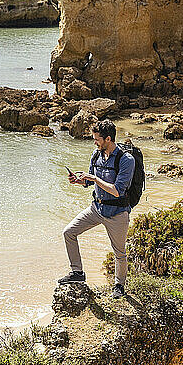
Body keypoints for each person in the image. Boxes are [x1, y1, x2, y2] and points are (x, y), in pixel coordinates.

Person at [58, 120, 135, 299]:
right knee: (68, 232)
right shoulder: (96, 155)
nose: (95, 142)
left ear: (108, 139)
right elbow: (89, 182)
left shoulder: (126, 160)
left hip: (117, 213)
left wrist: (93, 178)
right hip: (97, 208)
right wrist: (79, 181)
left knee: (119, 252)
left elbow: (117, 191)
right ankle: (77, 273)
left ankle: (119, 286)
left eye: (97, 139)